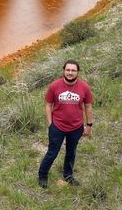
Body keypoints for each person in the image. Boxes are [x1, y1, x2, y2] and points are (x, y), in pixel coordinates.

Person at [38, 59, 94, 188]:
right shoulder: (54, 86)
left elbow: (88, 107)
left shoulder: (84, 87)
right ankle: (42, 175)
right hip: (57, 126)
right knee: (53, 152)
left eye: (73, 70)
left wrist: (89, 125)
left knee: (71, 152)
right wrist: (50, 124)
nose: (70, 72)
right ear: (64, 70)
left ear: (77, 72)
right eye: (68, 70)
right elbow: (48, 105)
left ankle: (68, 175)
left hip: (76, 127)